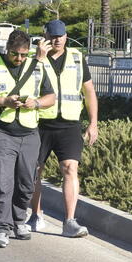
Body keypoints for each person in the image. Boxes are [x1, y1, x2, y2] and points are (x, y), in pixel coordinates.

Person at [0, 29, 56, 248]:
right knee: (2, 181)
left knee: (26, 183)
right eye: (14, 54)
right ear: (7, 49)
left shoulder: (37, 67)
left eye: (23, 55)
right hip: (1, 132)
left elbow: (51, 97)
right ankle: (2, 227)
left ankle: (20, 220)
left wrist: (36, 103)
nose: (19, 59)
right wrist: (3, 102)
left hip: (30, 133)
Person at [27, 19, 99, 239]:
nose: (57, 40)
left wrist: (93, 122)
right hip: (40, 123)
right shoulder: (34, 58)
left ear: (66, 36)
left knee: (70, 168)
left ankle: (69, 221)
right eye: (52, 36)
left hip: (69, 123)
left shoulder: (77, 58)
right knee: (34, 171)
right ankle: (35, 215)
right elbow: (26, 84)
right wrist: (38, 59)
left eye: (61, 36)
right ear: (44, 36)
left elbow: (89, 92)